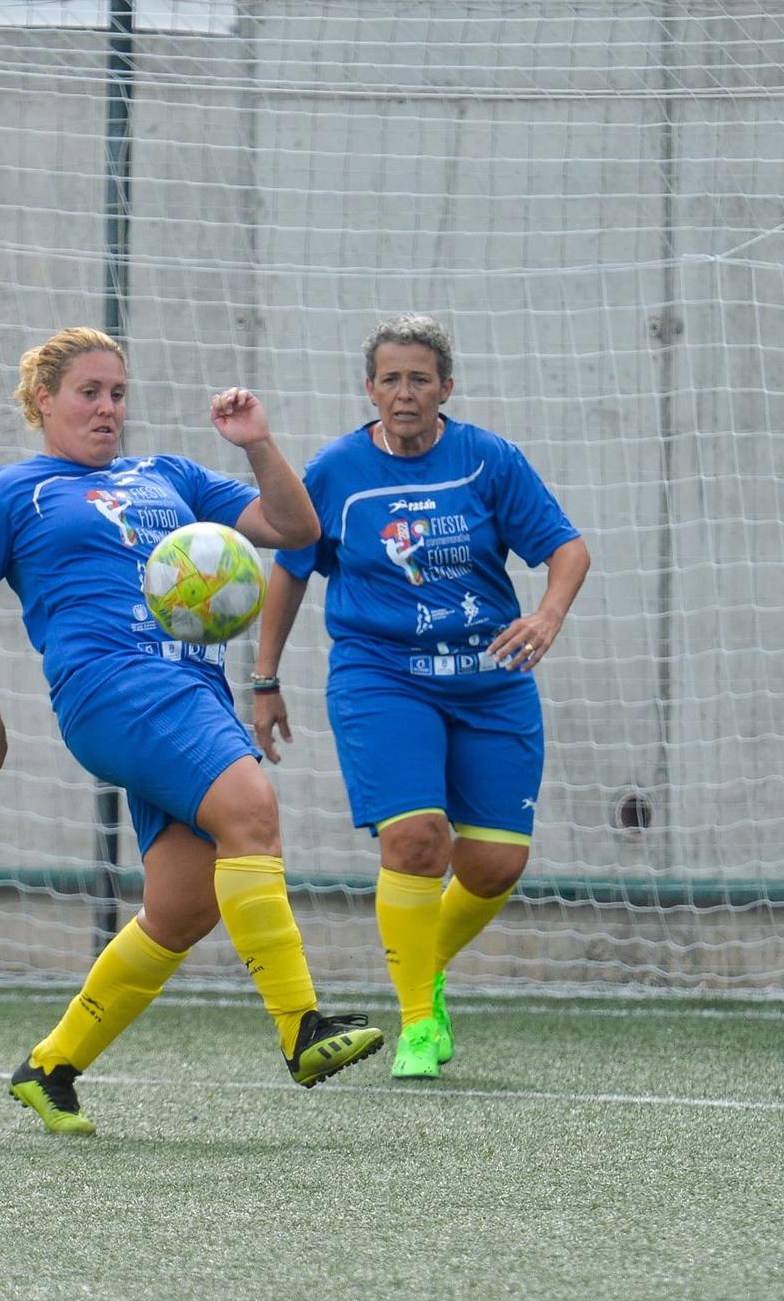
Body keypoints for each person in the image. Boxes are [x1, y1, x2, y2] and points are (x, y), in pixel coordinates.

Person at [0, 327, 385, 1135]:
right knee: (251, 807)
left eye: (118, 393)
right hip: (111, 687)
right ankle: (302, 1026)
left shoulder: (166, 474)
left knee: (182, 909)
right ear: (44, 399)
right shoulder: (10, 492)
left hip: (190, 687)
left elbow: (295, 528)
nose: (107, 408)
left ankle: (53, 1064)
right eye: (88, 393)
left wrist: (258, 443)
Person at [251, 314, 590, 1080]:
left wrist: (546, 613)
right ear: (369, 389)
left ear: (446, 386)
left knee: (496, 863)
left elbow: (568, 548)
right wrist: (265, 678)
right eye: (390, 379)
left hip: (489, 679)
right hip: (383, 676)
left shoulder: (487, 460)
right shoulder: (336, 471)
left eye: (420, 379)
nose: (405, 393)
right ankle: (417, 1023)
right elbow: (292, 570)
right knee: (416, 840)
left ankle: (420, 962)